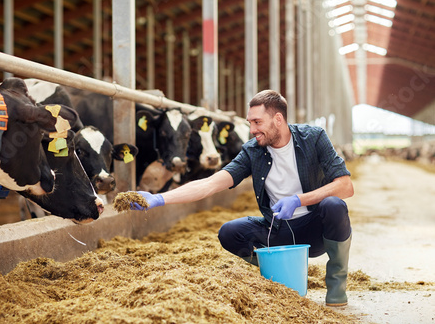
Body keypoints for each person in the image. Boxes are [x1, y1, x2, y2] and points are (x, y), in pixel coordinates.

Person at [129, 90, 354, 306]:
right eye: (250, 123)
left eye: (257, 122)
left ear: (278, 119)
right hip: (277, 230)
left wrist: (299, 200)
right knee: (229, 232)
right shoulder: (253, 151)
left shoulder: (313, 138)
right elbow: (210, 184)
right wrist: (159, 199)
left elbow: (345, 186)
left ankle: (336, 287)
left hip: (316, 230)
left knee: (334, 205)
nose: (252, 129)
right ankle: (280, 270)